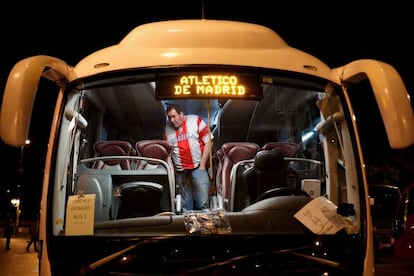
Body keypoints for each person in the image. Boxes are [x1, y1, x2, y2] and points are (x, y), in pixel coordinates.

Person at [163, 104, 213, 212]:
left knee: (203, 202)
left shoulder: (195, 121)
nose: (172, 120)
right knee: (185, 205)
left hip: (198, 167)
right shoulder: (167, 130)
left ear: (181, 114)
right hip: (181, 172)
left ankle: (204, 227)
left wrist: (203, 165)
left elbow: (209, 142)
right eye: (169, 117)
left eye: (174, 116)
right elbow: (168, 153)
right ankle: (188, 228)